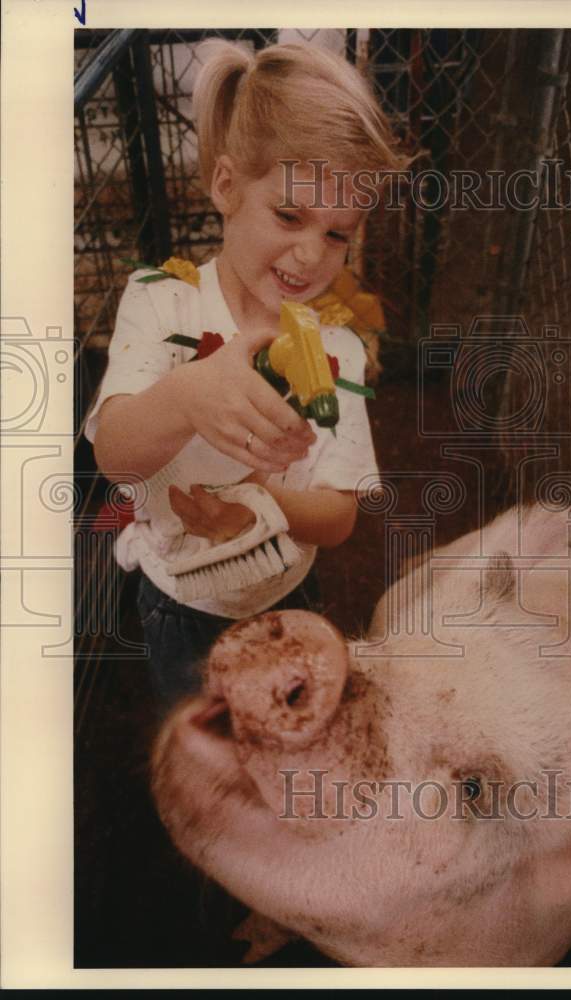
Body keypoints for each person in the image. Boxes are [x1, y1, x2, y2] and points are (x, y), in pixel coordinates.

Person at [85, 39, 409, 709]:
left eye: (337, 233)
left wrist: (259, 501)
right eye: (289, 215)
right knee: (205, 746)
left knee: (290, 735)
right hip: (182, 600)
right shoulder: (162, 302)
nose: (310, 254)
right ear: (227, 186)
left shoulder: (337, 347)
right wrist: (187, 396)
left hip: (288, 590)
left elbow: (338, 516)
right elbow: (115, 456)